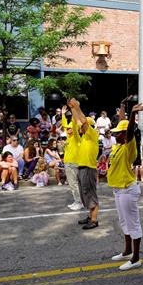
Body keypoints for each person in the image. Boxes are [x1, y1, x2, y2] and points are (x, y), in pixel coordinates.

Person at [108, 103, 143, 271]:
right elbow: (124, 124)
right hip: (118, 189)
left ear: (124, 135)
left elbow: (130, 130)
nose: (115, 135)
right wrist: (124, 111)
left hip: (127, 189)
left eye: (118, 133)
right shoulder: (118, 146)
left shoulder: (129, 147)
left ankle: (136, 258)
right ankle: (127, 251)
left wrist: (132, 115)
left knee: (133, 223)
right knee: (123, 221)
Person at [68, 98, 100, 230]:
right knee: (84, 194)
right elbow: (77, 122)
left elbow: (84, 122)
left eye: (83, 126)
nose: (81, 128)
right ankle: (90, 215)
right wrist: (73, 108)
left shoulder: (93, 134)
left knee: (91, 194)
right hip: (82, 169)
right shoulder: (82, 139)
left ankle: (94, 220)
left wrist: (78, 107)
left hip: (88, 168)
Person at [61, 105, 83, 211]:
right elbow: (65, 125)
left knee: (74, 184)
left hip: (73, 163)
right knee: (73, 184)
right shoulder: (68, 138)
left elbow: (73, 125)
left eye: (69, 128)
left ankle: (79, 202)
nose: (68, 129)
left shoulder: (76, 137)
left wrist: (74, 110)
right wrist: (63, 114)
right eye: (67, 129)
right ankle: (77, 201)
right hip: (69, 163)